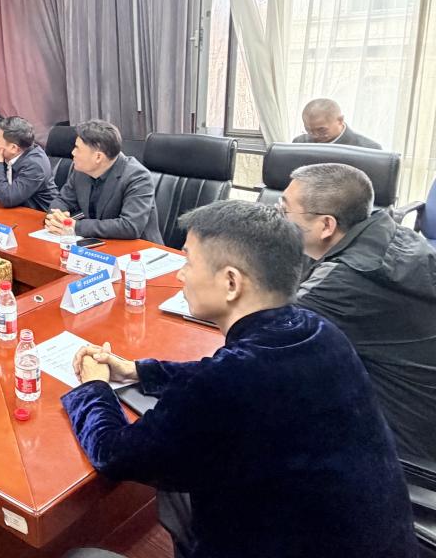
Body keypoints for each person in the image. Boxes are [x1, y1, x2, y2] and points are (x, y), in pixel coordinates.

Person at [62, 200, 415, 558]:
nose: (181, 275)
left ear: (231, 282)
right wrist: (139, 370)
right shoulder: (319, 331)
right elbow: (240, 374)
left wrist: (95, 387)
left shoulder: (224, 385)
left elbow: (115, 453)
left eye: (189, 262)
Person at [281, 162, 436, 462]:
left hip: (400, 444)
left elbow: (268, 331)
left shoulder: (346, 279)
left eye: (284, 210)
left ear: (326, 225)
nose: (278, 217)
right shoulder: (388, 233)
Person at [44, 120, 162, 243]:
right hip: (98, 243)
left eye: (77, 148)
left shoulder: (138, 177)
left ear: (98, 157)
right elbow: (63, 200)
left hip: (139, 248)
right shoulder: (82, 170)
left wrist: (76, 226)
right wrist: (56, 217)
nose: (73, 152)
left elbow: (130, 226)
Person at [0, 116, 58, 211]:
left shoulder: (35, 165)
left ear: (13, 148)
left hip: (39, 214)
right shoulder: (8, 155)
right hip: (16, 210)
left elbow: (8, 198)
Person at [293, 97, 381, 148]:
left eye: (321, 130)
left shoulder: (368, 149)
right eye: (309, 130)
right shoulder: (299, 143)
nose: (315, 136)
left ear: (340, 120)